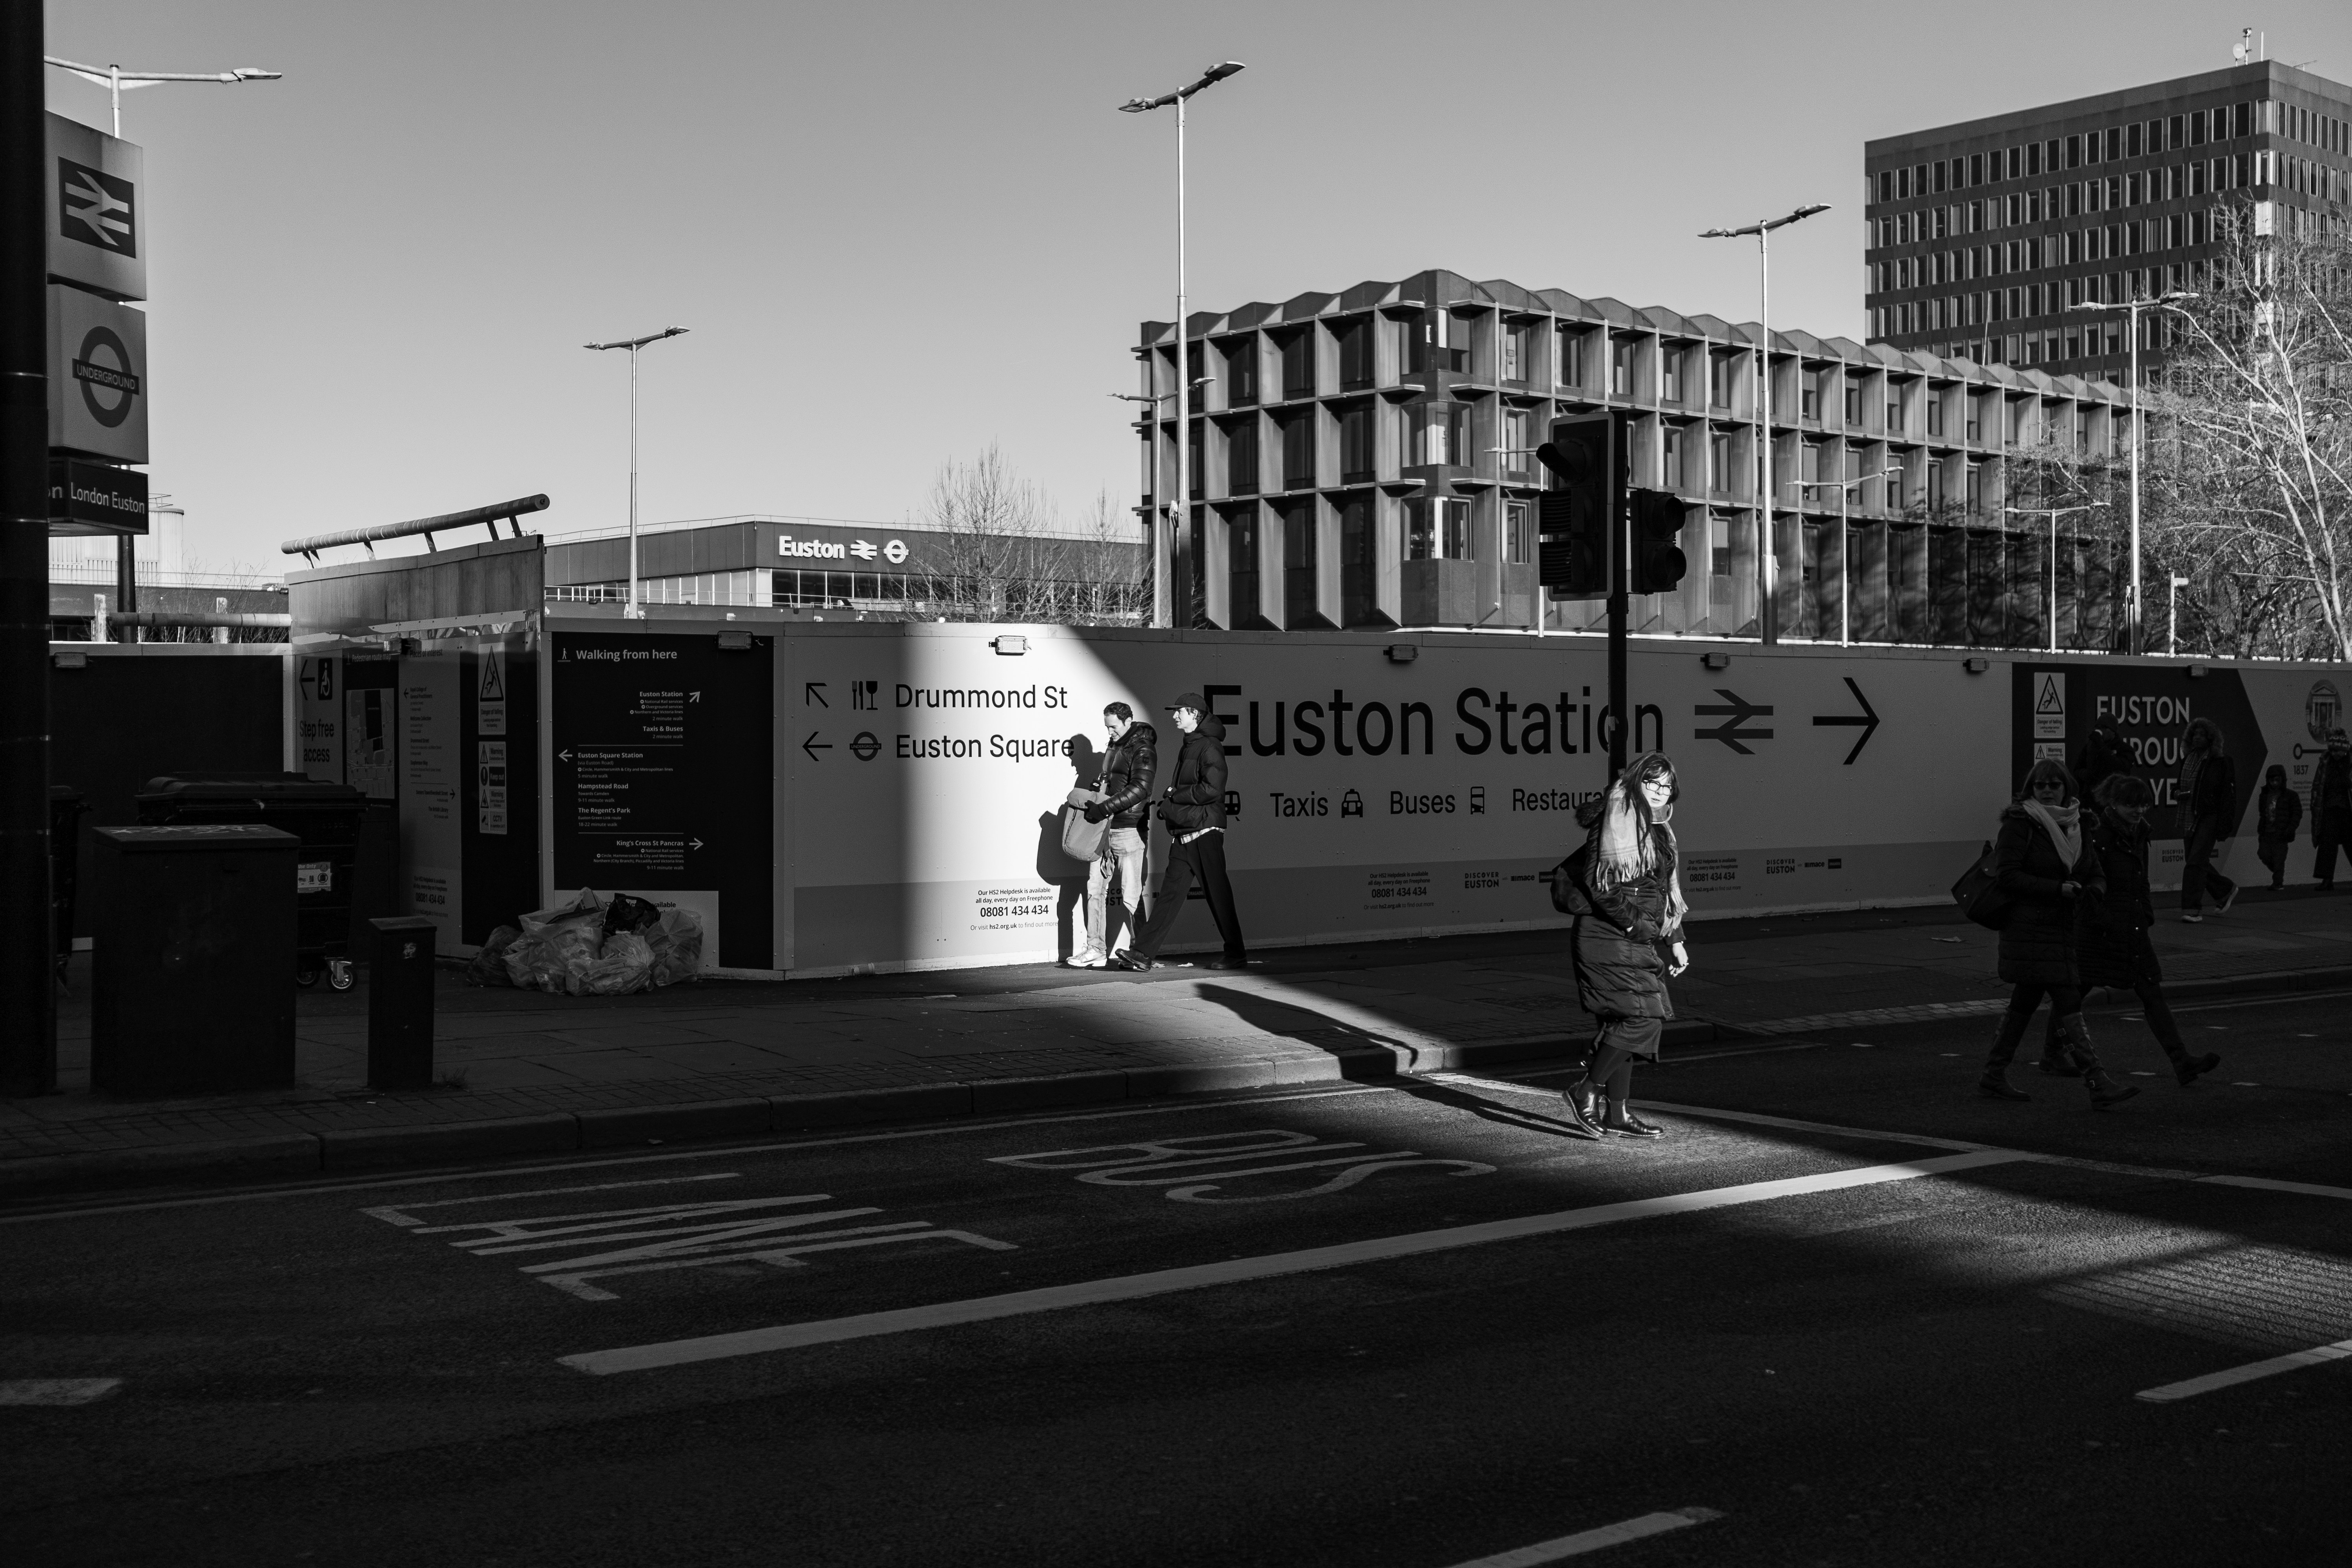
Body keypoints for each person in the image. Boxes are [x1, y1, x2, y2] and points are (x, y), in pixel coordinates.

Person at [2040, 773, 2223, 1088]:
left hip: (2133, 927)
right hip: (2099, 931)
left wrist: (2147, 913)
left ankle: (2182, 1062)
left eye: (2144, 805)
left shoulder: (2139, 832)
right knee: (2074, 994)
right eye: (2131, 805)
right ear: (2112, 804)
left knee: (2151, 992)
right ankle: (2052, 1053)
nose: (2139, 811)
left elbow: (2140, 880)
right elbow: (2087, 882)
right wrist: (2101, 919)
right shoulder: (2096, 835)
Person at [1977, 758, 2138, 1108]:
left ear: (2067, 788)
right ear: (2030, 790)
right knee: (2067, 999)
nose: (2048, 790)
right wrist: (2057, 890)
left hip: (2062, 929)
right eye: (2040, 785)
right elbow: (2008, 876)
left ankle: (1993, 1075)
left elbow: (2095, 870)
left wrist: (2094, 889)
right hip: (2029, 929)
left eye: (2054, 784)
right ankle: (2097, 1081)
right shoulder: (2020, 824)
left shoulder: (2079, 825)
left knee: (2025, 1001)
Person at [1559, 753, 1691, 1140]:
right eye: (1652, 782)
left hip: (1637, 936)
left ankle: (1617, 1113)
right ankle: (1585, 1091)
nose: (1660, 791)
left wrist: (1676, 939)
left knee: (1624, 1023)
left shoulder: (1661, 829)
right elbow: (1601, 884)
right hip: (1606, 935)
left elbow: (1661, 891)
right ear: (1636, 780)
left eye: (1666, 785)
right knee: (1643, 1017)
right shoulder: (1614, 820)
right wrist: (1635, 921)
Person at [1112, 693, 1245, 972]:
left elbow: (1213, 789)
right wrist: (1171, 807)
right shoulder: (1191, 745)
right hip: (1186, 833)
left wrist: (1175, 796)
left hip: (1205, 832)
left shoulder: (1209, 746)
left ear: (1194, 715)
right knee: (1169, 899)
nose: (1175, 716)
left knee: (1218, 896)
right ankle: (1142, 954)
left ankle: (1236, 953)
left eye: (1180, 712)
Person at [1069, 701, 1156, 968]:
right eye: (1107, 728)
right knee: (1095, 889)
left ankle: (1140, 953)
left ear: (1128, 721)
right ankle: (1095, 948)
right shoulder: (1114, 746)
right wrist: (1097, 789)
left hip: (1129, 830)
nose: (1110, 733)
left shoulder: (1143, 749)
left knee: (1132, 895)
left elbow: (1140, 789)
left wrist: (1104, 807)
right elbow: (1108, 780)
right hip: (1104, 829)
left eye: (1114, 727)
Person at [2175, 716, 2238, 922]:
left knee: (2195, 862)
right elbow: (2182, 785)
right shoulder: (2188, 759)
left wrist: (2224, 825)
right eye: (2194, 734)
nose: (2197, 738)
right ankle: (2225, 890)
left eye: (2202, 735)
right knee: (2196, 861)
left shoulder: (2221, 761)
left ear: (2211, 739)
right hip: (2189, 814)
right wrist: (2178, 793)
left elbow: (2228, 796)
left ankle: (2192, 909)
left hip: (2210, 816)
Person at [2312, 730, 2352, 890]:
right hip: (2329, 808)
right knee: (2327, 845)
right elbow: (2317, 784)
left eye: (2340, 751)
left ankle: (2327, 880)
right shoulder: (2325, 762)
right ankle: (2327, 880)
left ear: (2346, 750)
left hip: (2348, 810)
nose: (2337, 754)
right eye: (2334, 750)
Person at [2255, 763, 2303, 893]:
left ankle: (2278, 883)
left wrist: (2290, 829)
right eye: (2272, 780)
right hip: (2266, 832)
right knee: (2264, 854)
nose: (2275, 783)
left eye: (2277, 780)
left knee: (2279, 858)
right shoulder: (2264, 795)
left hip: (2281, 833)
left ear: (2282, 780)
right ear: (2268, 781)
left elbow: (2297, 814)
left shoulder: (2290, 796)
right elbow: (2262, 813)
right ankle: (2278, 875)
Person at [2072, 714, 2131, 808]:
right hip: (2090, 800)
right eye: (2097, 728)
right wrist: (2086, 775)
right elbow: (2077, 770)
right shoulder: (2090, 747)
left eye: (2104, 728)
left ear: (2113, 731)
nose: (2100, 731)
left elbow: (2122, 769)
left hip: (2112, 801)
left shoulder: (2125, 749)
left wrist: (2102, 747)